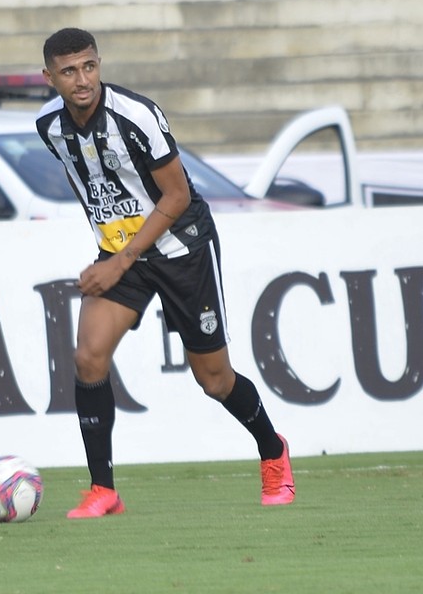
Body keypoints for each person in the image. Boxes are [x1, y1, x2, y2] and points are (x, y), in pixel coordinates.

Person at [35, 28, 294, 518]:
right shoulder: (48, 126)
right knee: (88, 358)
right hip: (122, 254)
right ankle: (103, 490)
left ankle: (273, 450)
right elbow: (96, 184)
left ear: (99, 64)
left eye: (89, 66)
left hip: (182, 250)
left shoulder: (138, 117)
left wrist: (120, 260)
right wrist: (108, 248)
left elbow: (176, 197)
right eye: (69, 71)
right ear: (49, 78)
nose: (82, 79)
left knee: (214, 381)